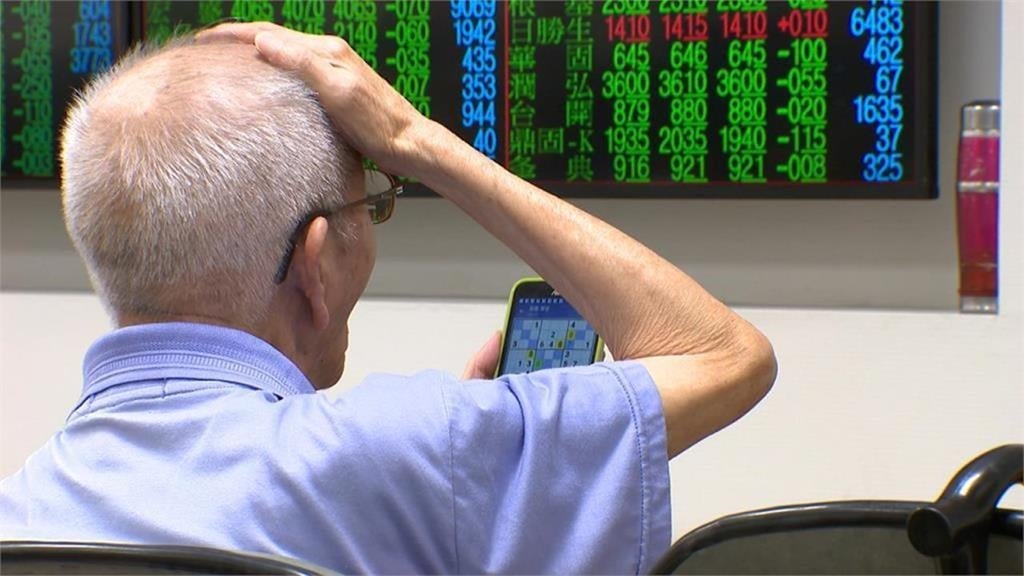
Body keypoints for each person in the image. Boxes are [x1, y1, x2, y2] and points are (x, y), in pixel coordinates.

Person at [0, 23, 776, 574]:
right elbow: (723, 356)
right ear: (315, 265)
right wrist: (414, 139)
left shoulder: (24, 514)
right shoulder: (419, 451)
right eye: (371, 206)